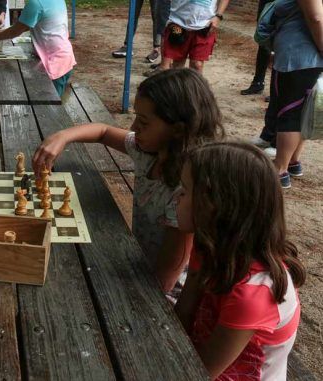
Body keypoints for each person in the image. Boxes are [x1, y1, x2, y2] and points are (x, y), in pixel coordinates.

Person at [32, 69, 224, 296]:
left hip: (160, 291)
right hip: (139, 259)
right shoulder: (149, 151)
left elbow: (166, 279)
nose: (133, 127)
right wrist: (62, 136)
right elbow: (102, 131)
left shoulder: (185, 190)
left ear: (178, 130)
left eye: (143, 122)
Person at [174, 142, 305, 379]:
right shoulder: (209, 245)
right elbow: (182, 316)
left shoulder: (253, 294)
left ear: (215, 206)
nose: (176, 197)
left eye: (184, 191)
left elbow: (200, 373)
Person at [268, 0, 323, 188]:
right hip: (308, 57)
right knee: (303, 111)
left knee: (289, 113)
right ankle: (293, 161)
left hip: (299, 56)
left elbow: (316, 17)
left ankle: (280, 169)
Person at [0, 0, 76, 96]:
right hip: (66, 58)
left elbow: (16, 31)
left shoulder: (36, 4)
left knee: (50, 106)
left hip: (54, 64)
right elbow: (29, 24)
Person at [157, 0, 230, 74]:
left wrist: (218, 16)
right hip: (178, 22)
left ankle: (195, 85)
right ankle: (178, 84)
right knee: (177, 64)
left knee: (197, 65)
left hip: (205, 24)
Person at [241, 0, 273, 96]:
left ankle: (277, 91)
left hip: (282, 7)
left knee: (281, 48)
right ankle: (258, 83)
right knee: (263, 44)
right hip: (266, 4)